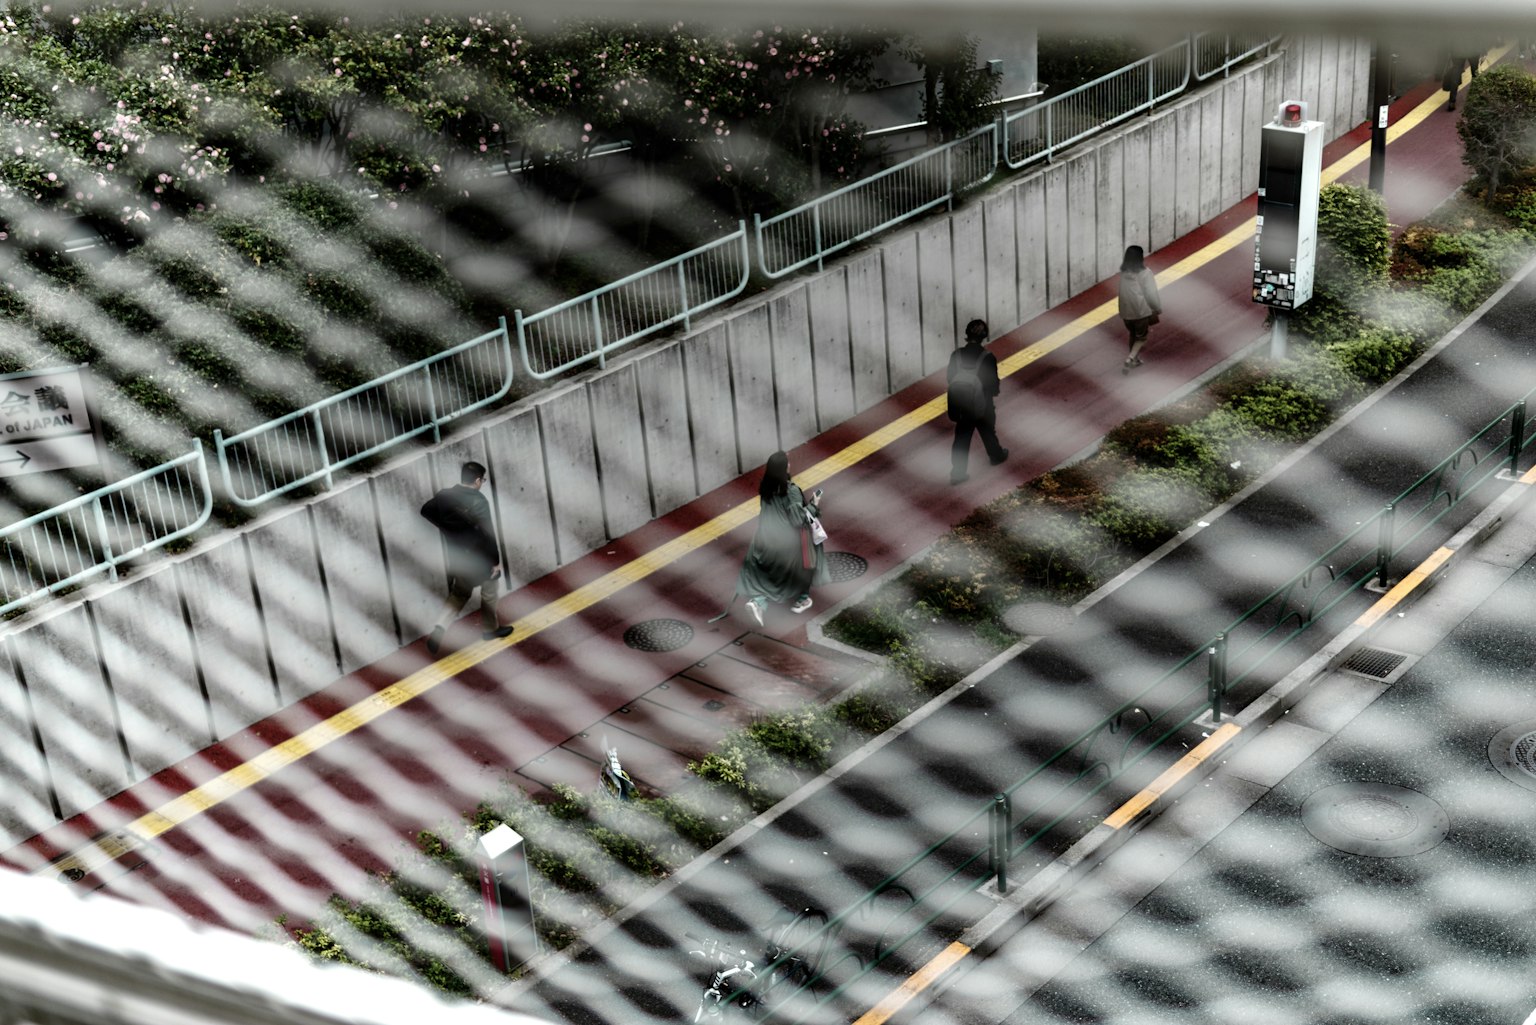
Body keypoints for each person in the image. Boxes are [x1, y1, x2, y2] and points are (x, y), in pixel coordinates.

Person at [420, 460, 514, 654]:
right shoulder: (479, 501)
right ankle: (490, 629)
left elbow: (426, 510)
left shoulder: (444, 496)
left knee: (459, 594)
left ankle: (440, 627)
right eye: (483, 480)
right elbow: (488, 534)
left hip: (457, 558)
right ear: (478, 480)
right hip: (479, 557)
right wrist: (495, 561)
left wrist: (448, 527)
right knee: (489, 589)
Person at [735, 451, 830, 626]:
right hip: (786, 545)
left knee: (769, 575)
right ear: (785, 468)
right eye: (787, 463)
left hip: (763, 542)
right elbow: (798, 520)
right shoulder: (791, 491)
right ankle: (802, 599)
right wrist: (814, 505)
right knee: (810, 554)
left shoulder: (765, 488)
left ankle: (758, 602)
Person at [946, 318, 1008, 486]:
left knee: (962, 436)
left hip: (961, 404)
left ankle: (958, 472)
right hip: (982, 403)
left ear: (966, 335)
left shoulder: (956, 355)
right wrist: (992, 394)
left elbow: (950, 378)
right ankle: (996, 455)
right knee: (987, 429)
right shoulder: (987, 357)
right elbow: (992, 384)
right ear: (984, 336)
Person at [1116, 245, 1162, 370]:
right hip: (1141, 311)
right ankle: (1130, 358)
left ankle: (1134, 361)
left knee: (1132, 334)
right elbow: (1150, 293)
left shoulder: (1124, 273)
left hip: (1126, 312)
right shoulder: (1145, 273)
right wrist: (1157, 308)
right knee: (1141, 337)